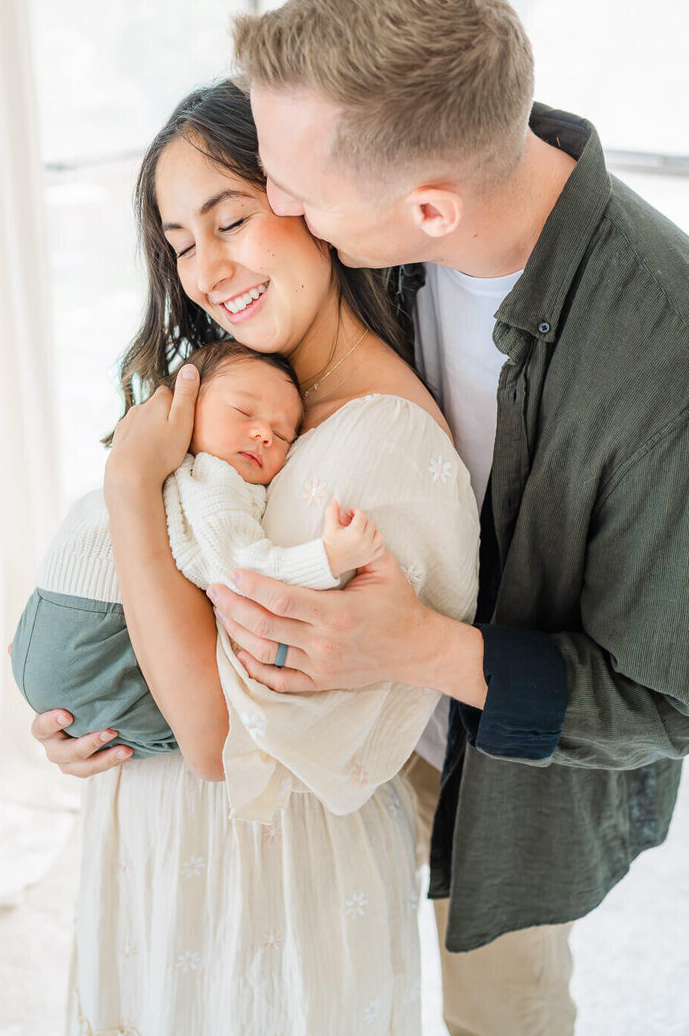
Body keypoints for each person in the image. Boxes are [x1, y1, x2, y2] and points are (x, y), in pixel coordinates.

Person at [188, 0, 689, 1035]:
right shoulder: (381, 215)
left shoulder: (674, 360)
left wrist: (413, 647)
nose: (276, 204)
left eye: (296, 188)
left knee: (500, 1011)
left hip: (514, 778)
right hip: (346, 735)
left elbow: (672, 700)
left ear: (429, 212)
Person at [32, 79, 481, 1034]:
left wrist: (130, 488)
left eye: (229, 220)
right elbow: (156, 600)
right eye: (180, 244)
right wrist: (83, 692)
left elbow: (215, 737)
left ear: (308, 198)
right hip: (158, 833)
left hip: (268, 876)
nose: (205, 270)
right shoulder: (238, 387)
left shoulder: (380, 444)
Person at [11, 339, 386, 759]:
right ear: (183, 408)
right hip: (96, 636)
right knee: (225, 727)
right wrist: (329, 558)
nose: (264, 434)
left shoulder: (156, 467)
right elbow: (242, 573)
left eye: (283, 435)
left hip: (43, 633)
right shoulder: (212, 480)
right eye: (242, 411)